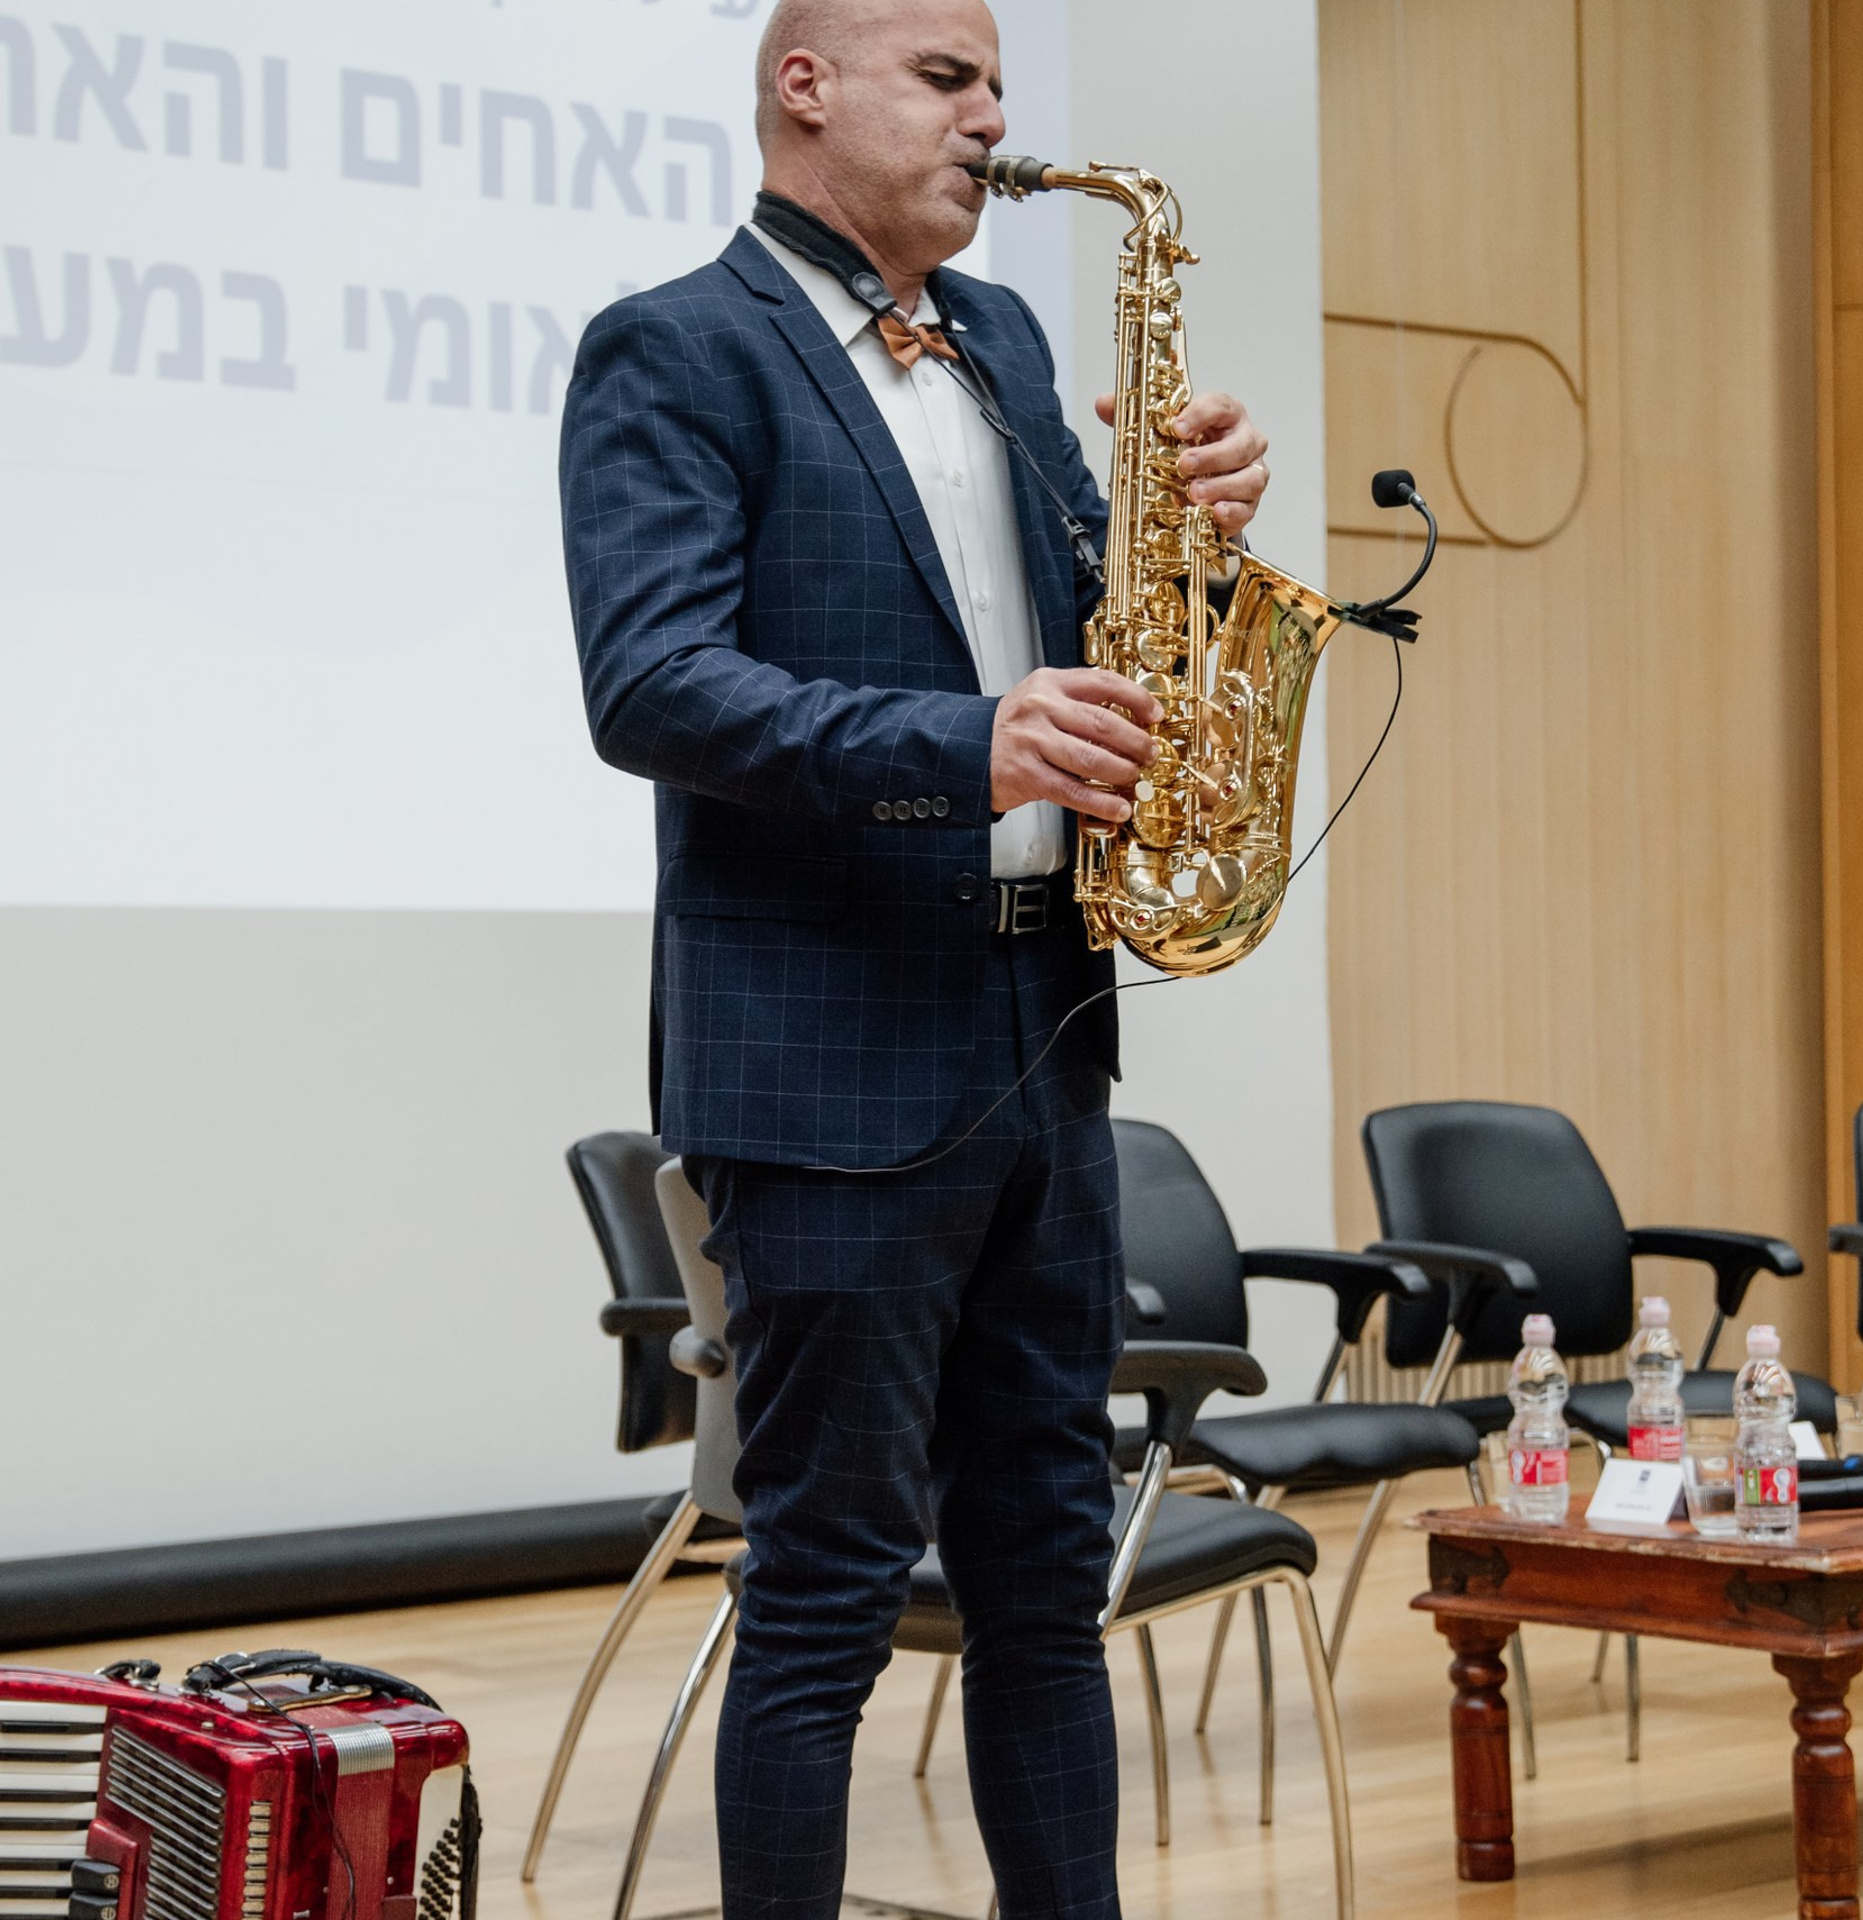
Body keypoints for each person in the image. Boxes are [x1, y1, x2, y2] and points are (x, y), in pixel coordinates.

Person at [560, 2, 1271, 1913]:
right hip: (823, 1065)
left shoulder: (1013, 344)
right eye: (951, 81)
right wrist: (966, 747)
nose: (992, 121)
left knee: (1048, 1585)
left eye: (1002, 89)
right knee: (823, 1597)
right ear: (807, 85)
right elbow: (653, 684)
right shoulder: (679, 347)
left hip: (1045, 1040)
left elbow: (1083, 635)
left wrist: (1186, 546)